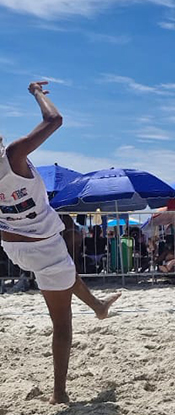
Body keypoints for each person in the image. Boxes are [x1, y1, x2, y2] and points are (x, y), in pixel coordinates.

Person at [0, 81, 120, 404]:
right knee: (62, 324)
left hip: (13, 247)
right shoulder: (12, 155)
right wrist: (36, 93)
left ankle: (97, 306)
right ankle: (59, 394)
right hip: (42, 245)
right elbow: (55, 120)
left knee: (66, 273)